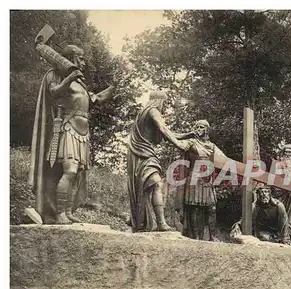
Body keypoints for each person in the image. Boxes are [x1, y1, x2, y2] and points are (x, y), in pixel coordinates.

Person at [29, 45, 114, 225]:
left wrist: (114, 87)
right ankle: (58, 213)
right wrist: (69, 78)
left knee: (76, 174)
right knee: (69, 170)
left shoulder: (81, 82)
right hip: (67, 128)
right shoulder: (55, 74)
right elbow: (54, 92)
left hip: (83, 132)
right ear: (72, 58)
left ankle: (67, 211)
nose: (84, 62)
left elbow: (95, 100)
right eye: (81, 58)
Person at [127, 91, 192, 232]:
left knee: (146, 189)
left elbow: (168, 132)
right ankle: (161, 223)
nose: (165, 105)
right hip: (144, 154)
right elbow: (163, 130)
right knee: (157, 184)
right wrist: (179, 145)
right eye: (165, 102)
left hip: (141, 154)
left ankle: (140, 220)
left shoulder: (143, 112)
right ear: (159, 100)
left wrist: (188, 135)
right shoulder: (153, 111)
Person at [163, 119, 226, 241]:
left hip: (207, 180)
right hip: (194, 179)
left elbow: (224, 159)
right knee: (196, 208)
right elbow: (178, 143)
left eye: (201, 127)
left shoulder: (212, 146)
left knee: (211, 208)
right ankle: (196, 237)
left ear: (207, 129)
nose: (198, 129)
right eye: (196, 127)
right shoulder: (192, 143)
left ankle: (212, 236)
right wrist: (187, 134)